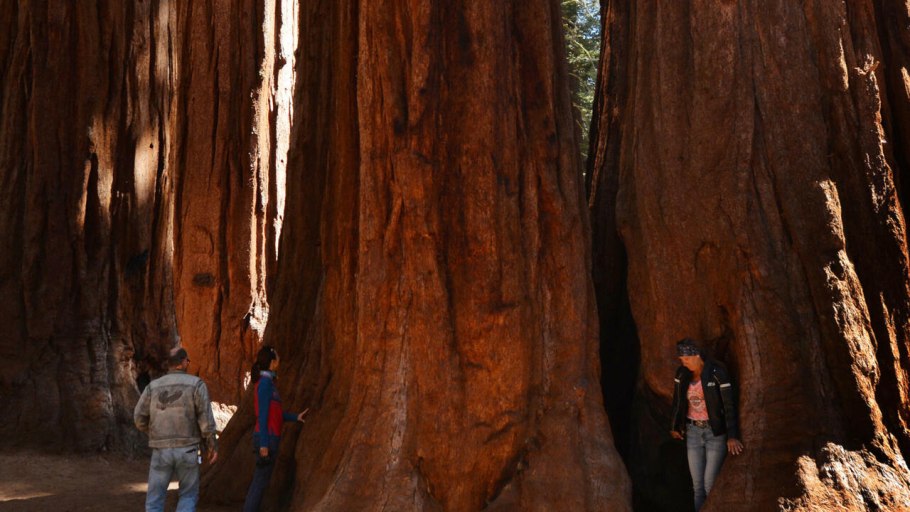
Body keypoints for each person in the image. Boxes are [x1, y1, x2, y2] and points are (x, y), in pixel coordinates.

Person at [134, 347, 218, 512]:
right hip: (187, 450)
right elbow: (205, 420)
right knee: (187, 495)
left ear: (168, 365)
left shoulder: (153, 386)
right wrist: (212, 445)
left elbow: (138, 418)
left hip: (160, 451)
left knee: (154, 501)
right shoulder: (197, 385)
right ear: (184, 362)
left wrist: (154, 433)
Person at [669, 338, 744, 511]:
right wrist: (675, 425)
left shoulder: (717, 372)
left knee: (711, 484)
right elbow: (677, 401)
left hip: (715, 433)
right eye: (681, 359)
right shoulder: (682, 374)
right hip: (693, 432)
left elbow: (729, 405)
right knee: (697, 487)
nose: (683, 361)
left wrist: (732, 435)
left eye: (686, 358)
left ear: (696, 355)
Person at [243, 346, 308, 512]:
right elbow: (263, 415)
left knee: (260, 481)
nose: (279, 360)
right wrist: (264, 444)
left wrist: (295, 417)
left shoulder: (269, 383)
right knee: (259, 482)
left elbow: (276, 414)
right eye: (277, 357)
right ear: (272, 362)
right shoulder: (264, 384)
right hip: (266, 439)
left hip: (270, 437)